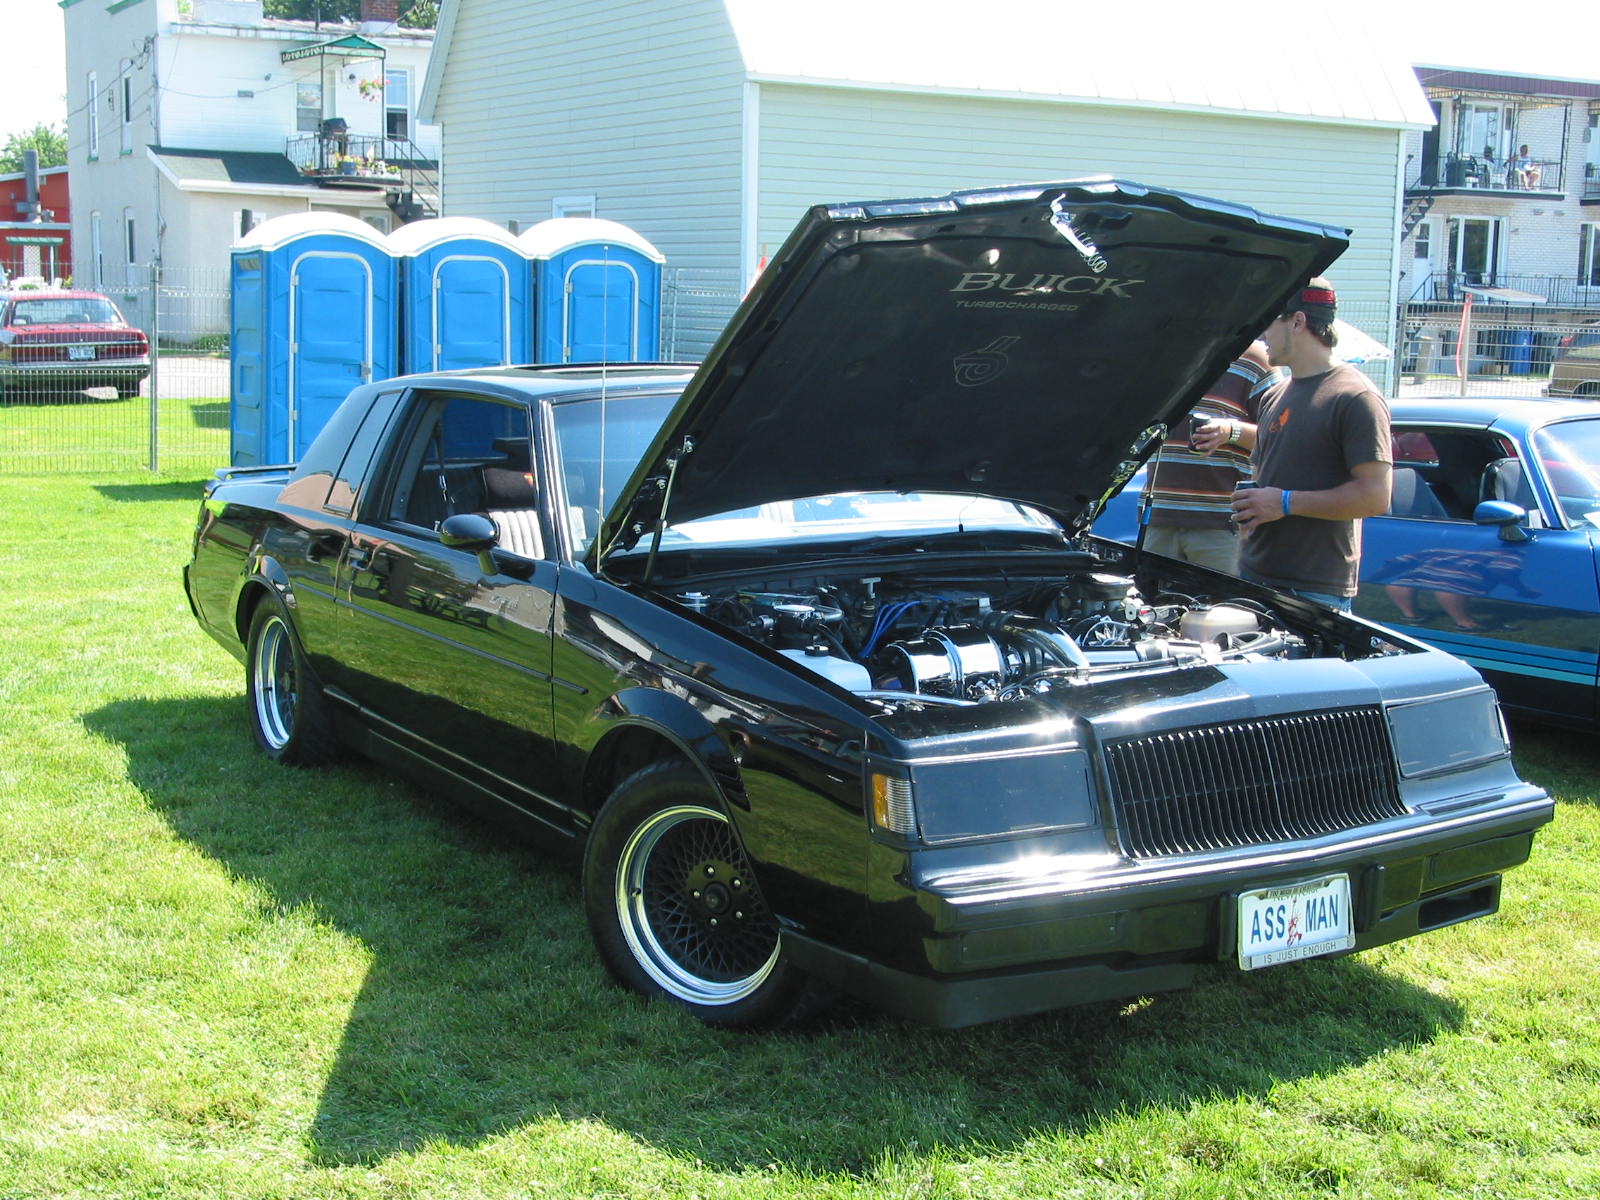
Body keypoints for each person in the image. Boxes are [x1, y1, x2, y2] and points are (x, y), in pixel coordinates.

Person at [1195, 279, 1392, 611]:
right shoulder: (1275, 394)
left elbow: (1375, 497)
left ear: (1297, 322)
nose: (1261, 335)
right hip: (1255, 577)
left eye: (1269, 322)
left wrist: (1284, 503)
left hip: (1314, 592)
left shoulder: (1356, 397)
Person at [1139, 342, 1276, 573]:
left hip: (1223, 525)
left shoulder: (1255, 358)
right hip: (1158, 518)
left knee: (1223, 607)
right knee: (1154, 606)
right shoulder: (1163, 352)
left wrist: (1230, 431)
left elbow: (1281, 436)